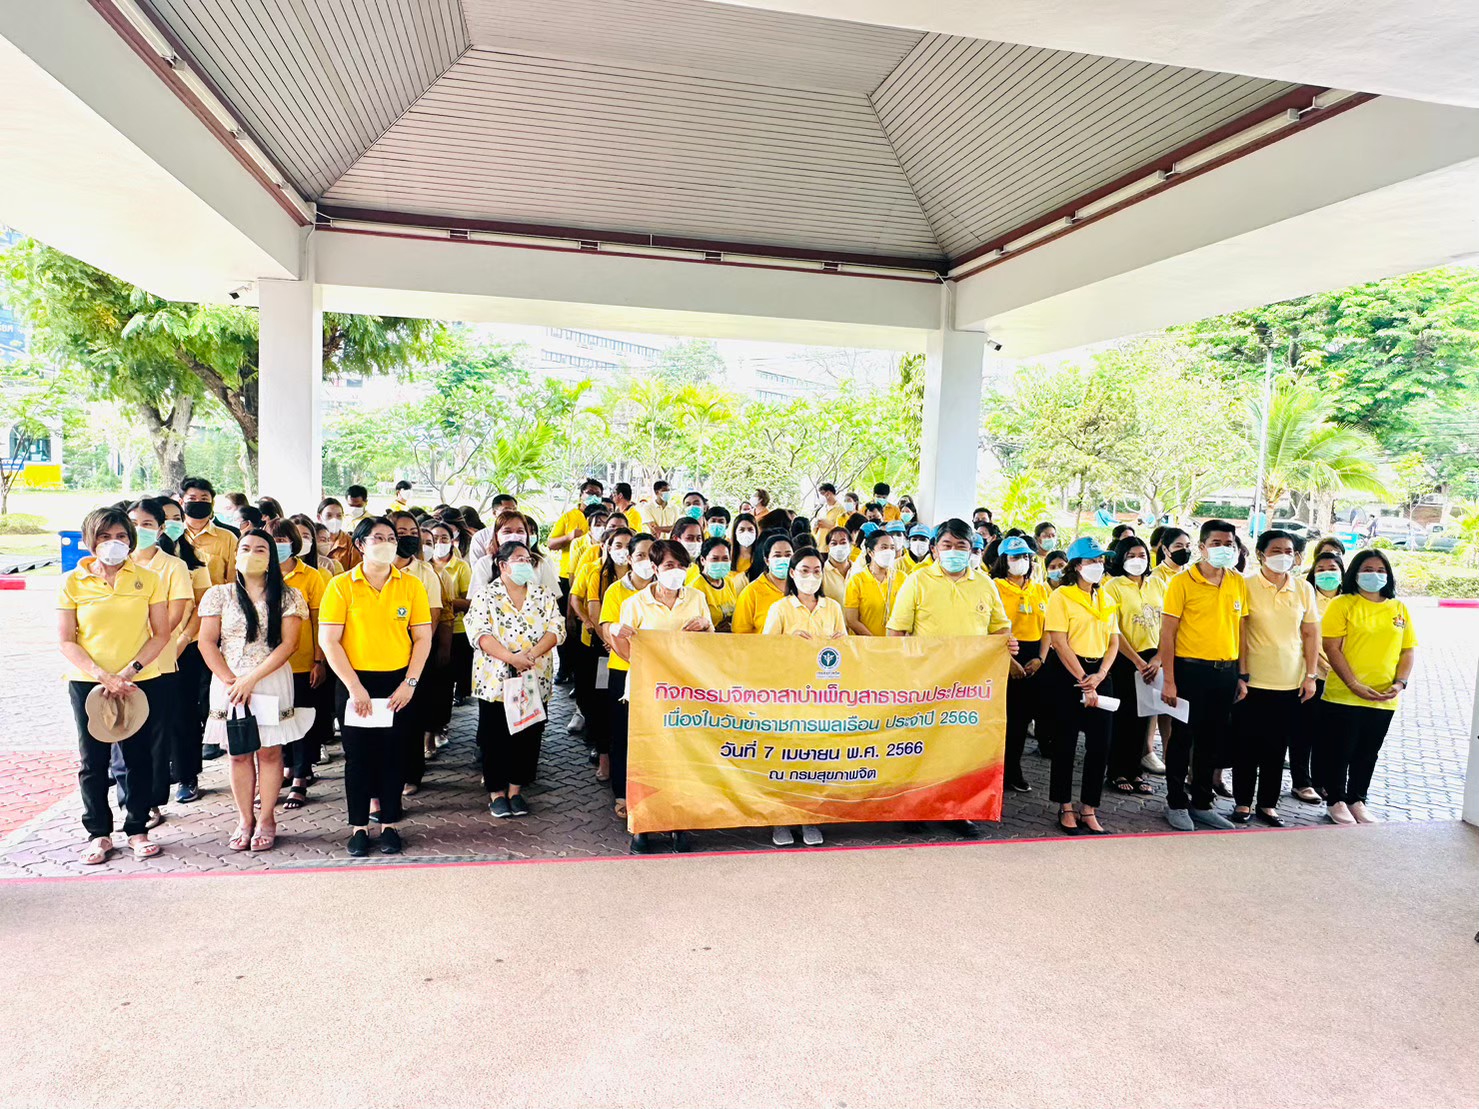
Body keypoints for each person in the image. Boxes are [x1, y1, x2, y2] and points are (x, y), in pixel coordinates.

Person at [887, 519, 1014, 840]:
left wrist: (1006, 643)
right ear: (934, 549)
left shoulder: (984, 584)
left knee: (961, 749)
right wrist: (904, 674)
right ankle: (915, 808)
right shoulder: (917, 581)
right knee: (921, 747)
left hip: (970, 687)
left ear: (972, 550)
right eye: (947, 545)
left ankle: (958, 811)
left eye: (961, 546)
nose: (954, 551)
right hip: (925, 684)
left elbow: (1000, 628)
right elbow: (896, 632)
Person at [58, 506, 171, 864]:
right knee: (93, 760)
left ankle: (137, 828)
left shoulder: (148, 579)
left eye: (121, 536)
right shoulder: (72, 582)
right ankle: (98, 833)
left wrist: (129, 671)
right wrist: (101, 674)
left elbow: (161, 633)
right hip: (88, 683)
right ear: (90, 540)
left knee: (138, 757)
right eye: (105, 537)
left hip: (138, 681)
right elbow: (66, 640)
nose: (114, 543)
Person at [318, 516, 433, 857]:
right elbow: (329, 641)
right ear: (360, 544)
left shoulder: (411, 585)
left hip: (398, 682)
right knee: (358, 756)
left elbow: (422, 637)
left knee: (394, 754)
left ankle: (390, 824)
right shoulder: (340, 585)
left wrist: (410, 683)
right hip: (355, 681)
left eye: (391, 538)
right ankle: (358, 827)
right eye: (378, 537)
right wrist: (355, 687)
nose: (387, 543)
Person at [197, 529, 315, 852]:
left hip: (270, 679)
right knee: (238, 752)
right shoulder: (219, 595)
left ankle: (266, 818)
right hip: (228, 683)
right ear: (236, 555)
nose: (252, 553)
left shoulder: (289, 596)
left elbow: (289, 645)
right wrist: (232, 680)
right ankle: (244, 819)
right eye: (245, 548)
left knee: (270, 751)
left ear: (272, 558)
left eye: (261, 549)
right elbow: (206, 642)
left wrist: (250, 680)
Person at [608, 539, 713, 853]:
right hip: (647, 690)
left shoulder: (696, 598)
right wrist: (616, 633)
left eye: (681, 565)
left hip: (685, 690)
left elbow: (709, 646)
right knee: (646, 759)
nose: (676, 571)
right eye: (669, 565)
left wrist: (706, 627)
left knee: (681, 758)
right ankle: (643, 825)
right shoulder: (635, 603)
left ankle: (679, 823)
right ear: (654, 568)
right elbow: (625, 652)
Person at [1159, 519, 1248, 832]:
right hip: (1189, 671)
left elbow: (1241, 629)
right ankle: (1175, 802)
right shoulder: (1182, 582)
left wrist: (1242, 675)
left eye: (1229, 544)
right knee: (1182, 739)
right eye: (1216, 543)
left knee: (1211, 741)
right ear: (1202, 547)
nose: (1224, 549)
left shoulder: (1237, 581)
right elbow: (1167, 634)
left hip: (1225, 672)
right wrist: (1169, 680)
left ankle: (1202, 803)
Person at [465, 539, 564, 819]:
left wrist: (529, 656)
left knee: (528, 736)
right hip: (495, 680)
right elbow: (479, 634)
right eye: (519, 559)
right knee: (494, 737)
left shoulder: (543, 594)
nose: (526, 564)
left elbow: (557, 628)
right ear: (503, 565)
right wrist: (511, 658)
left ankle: (516, 790)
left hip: (533, 677)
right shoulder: (486, 595)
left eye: (528, 560)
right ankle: (496, 793)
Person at [1229, 529, 1321, 827]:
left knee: (1276, 747)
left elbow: (1311, 633)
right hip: (1252, 681)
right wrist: (1241, 675)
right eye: (1276, 550)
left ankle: (1268, 805)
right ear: (1261, 554)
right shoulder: (1245, 586)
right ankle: (1242, 802)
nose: (1284, 556)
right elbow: (1240, 632)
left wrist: (1310, 675)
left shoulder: (1303, 589)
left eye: (1289, 551)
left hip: (1290, 681)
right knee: (1246, 745)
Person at [1319, 549, 1417, 825]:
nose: (1375, 575)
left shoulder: (1398, 608)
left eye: (1381, 570)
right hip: (1344, 695)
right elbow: (1332, 648)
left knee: (1367, 752)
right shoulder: (1342, 604)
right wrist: (1353, 684)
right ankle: (1336, 800)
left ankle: (1357, 799)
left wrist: (1400, 683)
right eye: (1368, 570)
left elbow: (1408, 650)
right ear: (1355, 573)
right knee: (1340, 751)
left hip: (1384, 697)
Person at [124, 498, 197, 828]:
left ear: (160, 528)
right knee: (122, 734)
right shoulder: (116, 565)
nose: (139, 530)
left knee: (156, 734)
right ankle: (130, 801)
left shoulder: (173, 566)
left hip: (160, 661)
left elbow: (175, 614)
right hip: (119, 663)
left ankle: (151, 802)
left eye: (147, 524)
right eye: (133, 523)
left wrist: (146, 645)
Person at [1043, 538, 1118, 834]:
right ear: (1076, 566)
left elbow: (1114, 641)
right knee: (1065, 743)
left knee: (1100, 745)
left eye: (1100, 561)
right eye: (1091, 561)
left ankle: (1089, 808)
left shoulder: (1106, 597)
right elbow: (1059, 642)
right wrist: (1084, 681)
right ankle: (1065, 806)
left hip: (1099, 673)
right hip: (1068, 675)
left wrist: (1100, 675)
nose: (1098, 566)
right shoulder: (1061, 596)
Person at [268, 518, 330, 811]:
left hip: (303, 662)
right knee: (276, 721)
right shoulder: (259, 573)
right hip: (269, 665)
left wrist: (319, 660)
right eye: (273, 540)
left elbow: (320, 621)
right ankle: (284, 770)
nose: (277, 545)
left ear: (294, 543)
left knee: (301, 720)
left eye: (283, 540)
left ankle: (301, 777)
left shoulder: (311, 576)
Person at [596, 533, 658, 822]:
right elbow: (608, 628)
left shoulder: (666, 590)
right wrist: (638, 659)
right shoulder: (616, 591)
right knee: (622, 734)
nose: (646, 561)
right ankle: (621, 793)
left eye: (651, 555)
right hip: (624, 670)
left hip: (659, 673)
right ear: (630, 559)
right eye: (640, 555)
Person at [389, 511, 445, 796]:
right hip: (380, 658)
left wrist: (415, 654)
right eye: (401, 532)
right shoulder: (374, 569)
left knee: (411, 718)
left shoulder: (425, 573)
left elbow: (433, 618)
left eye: (413, 532)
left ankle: (411, 773)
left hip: (415, 657)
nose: (408, 538)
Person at [990, 536, 1049, 792]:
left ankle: (1013, 769)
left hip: (1034, 657)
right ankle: (996, 771)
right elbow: (990, 627)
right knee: (1003, 719)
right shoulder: (994, 587)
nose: (1021, 561)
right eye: (1015, 557)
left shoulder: (1040, 589)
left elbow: (1048, 628)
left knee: (1021, 720)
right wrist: (1009, 661)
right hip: (1004, 655)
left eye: (1025, 557)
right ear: (1004, 560)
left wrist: (1041, 658)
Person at [1295, 551, 1346, 803]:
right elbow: (1302, 636)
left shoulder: (1349, 600)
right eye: (1321, 569)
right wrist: (1316, 667)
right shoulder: (1306, 597)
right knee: (1304, 731)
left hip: (1341, 677)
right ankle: (1301, 782)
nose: (1327, 573)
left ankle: (1321, 781)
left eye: (1332, 568)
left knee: (1329, 734)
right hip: (1312, 674)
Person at [427, 518, 474, 713]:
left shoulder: (460, 566)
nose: (439, 543)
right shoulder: (421, 567)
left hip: (456, 628)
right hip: (429, 630)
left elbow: (469, 601)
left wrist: (442, 605)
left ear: (451, 541)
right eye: (434, 539)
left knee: (449, 672)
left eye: (444, 538)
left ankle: (449, 709)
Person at [179, 476, 238, 587]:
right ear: (181, 502)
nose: (198, 502)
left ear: (212, 503)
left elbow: (233, 581)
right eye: (192, 499)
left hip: (215, 597)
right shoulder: (173, 536)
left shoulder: (228, 538)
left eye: (204, 499)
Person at [732, 532, 794, 634]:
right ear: (767, 560)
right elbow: (740, 634)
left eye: (788, 555)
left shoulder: (801, 589)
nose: (783, 560)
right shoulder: (751, 592)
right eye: (777, 556)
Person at [843, 529, 900, 637]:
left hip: (895, 643)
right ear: (870, 552)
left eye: (892, 548)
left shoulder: (902, 578)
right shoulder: (857, 581)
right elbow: (851, 620)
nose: (889, 551)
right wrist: (874, 641)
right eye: (884, 547)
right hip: (865, 643)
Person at [691, 537, 740, 631]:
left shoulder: (729, 582)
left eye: (725, 559)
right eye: (715, 559)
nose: (720, 563)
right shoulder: (696, 587)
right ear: (703, 560)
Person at [821, 526, 853, 606]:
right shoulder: (821, 573)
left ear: (850, 545)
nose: (839, 547)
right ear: (827, 548)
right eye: (834, 543)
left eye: (843, 542)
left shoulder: (858, 570)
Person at [729, 512, 759, 576]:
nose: (746, 533)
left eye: (750, 529)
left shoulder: (761, 556)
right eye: (742, 530)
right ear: (735, 532)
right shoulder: (728, 555)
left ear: (756, 532)